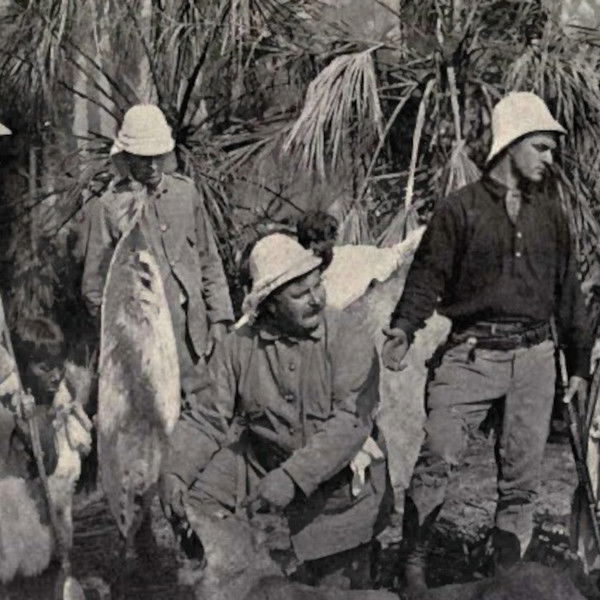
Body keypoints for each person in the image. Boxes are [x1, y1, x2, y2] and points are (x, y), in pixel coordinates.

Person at [381, 92, 592, 588]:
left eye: (551, 149)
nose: (549, 158)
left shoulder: (551, 215)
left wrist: (579, 366)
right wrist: (404, 329)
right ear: (511, 143)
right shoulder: (460, 210)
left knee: (522, 480)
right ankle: (413, 569)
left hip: (535, 359)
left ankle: (507, 582)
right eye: (540, 147)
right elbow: (426, 278)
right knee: (437, 459)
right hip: (471, 355)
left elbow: (569, 295)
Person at [160, 233, 390, 589]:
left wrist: (292, 478)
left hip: (338, 484)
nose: (316, 299)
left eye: (318, 286)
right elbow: (206, 417)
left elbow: (350, 422)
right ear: (270, 305)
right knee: (194, 502)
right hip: (263, 463)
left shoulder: (348, 336)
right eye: (300, 295)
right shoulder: (239, 347)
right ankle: (232, 573)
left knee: (334, 589)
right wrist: (175, 471)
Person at [81, 104, 234, 398]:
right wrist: (124, 340)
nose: (152, 167)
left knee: (204, 411)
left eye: (158, 157)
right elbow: (94, 287)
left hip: (195, 339)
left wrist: (220, 319)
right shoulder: (110, 208)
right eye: (143, 159)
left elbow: (208, 260)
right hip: (145, 346)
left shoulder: (185, 193)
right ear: (127, 157)